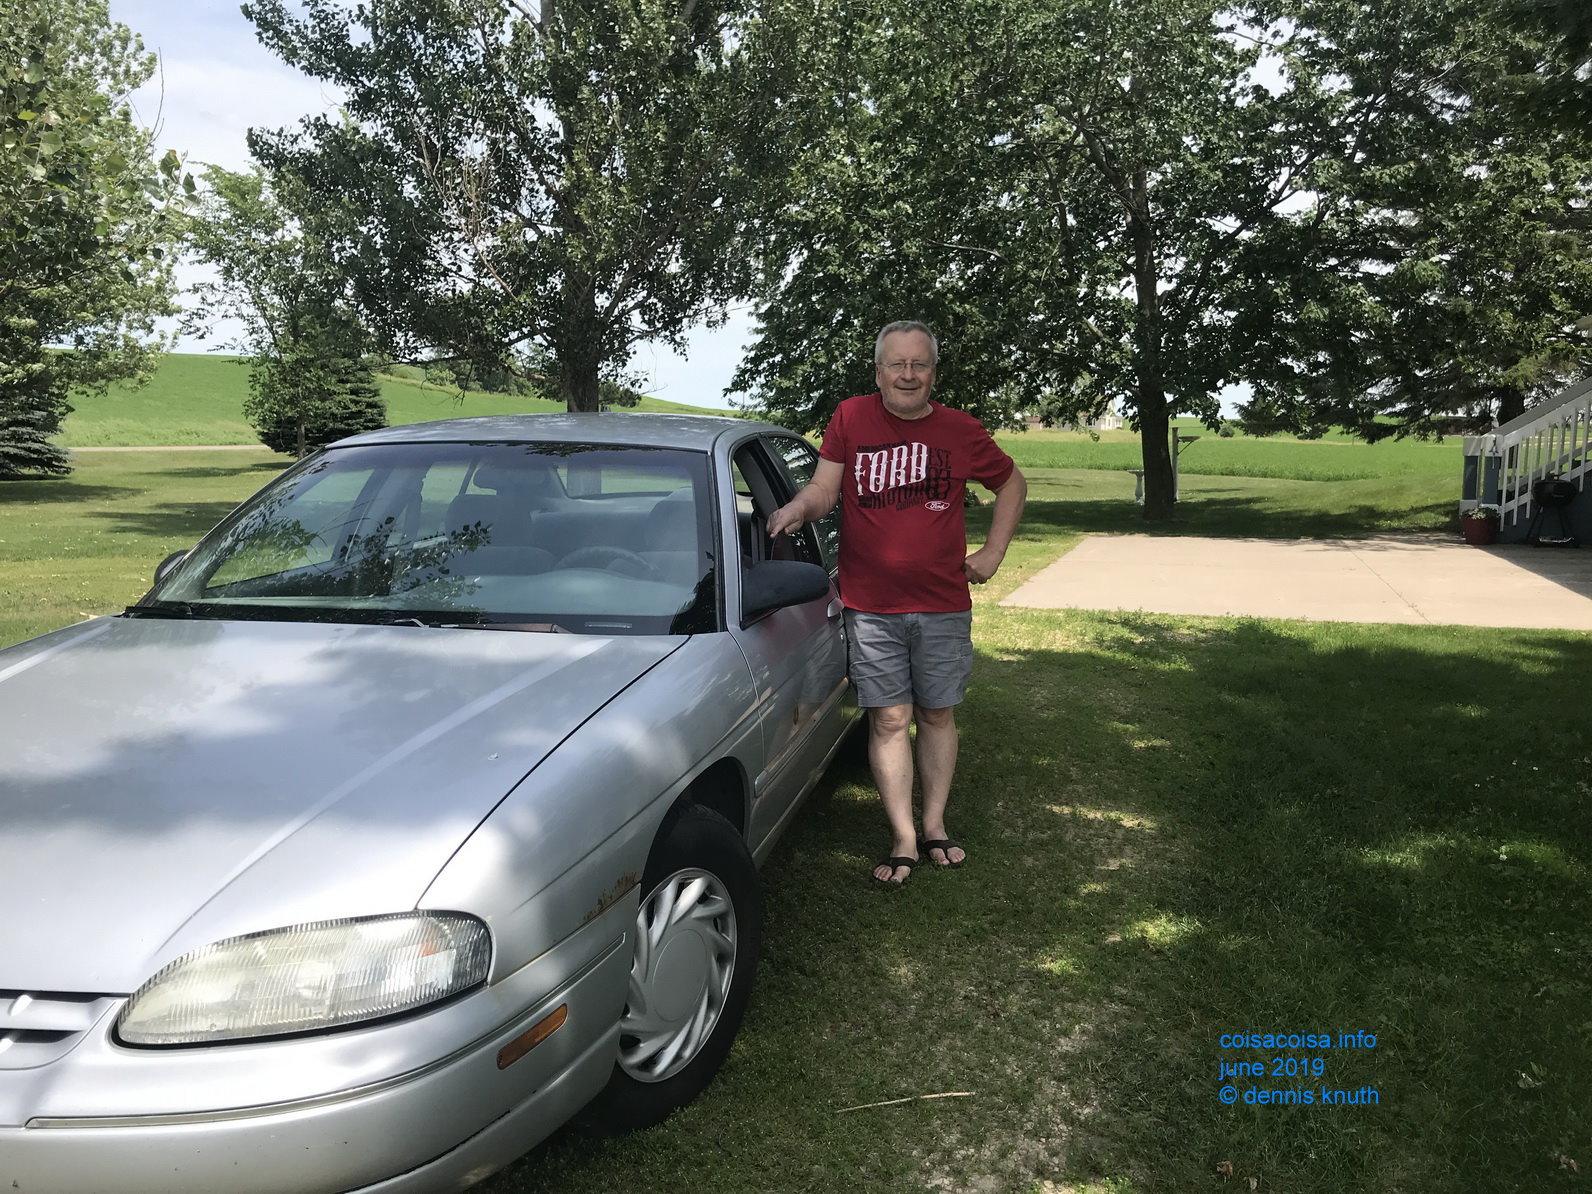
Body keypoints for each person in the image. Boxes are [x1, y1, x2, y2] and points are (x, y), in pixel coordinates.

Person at [767, 320, 1027, 884]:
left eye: (920, 364)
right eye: (897, 364)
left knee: (937, 712)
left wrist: (993, 552)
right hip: (871, 604)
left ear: (933, 372)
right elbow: (824, 489)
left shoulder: (961, 430)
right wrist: (798, 509)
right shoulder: (850, 418)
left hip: (942, 603)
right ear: (879, 371)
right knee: (888, 718)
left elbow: (1012, 483)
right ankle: (903, 836)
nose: (908, 374)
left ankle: (934, 824)